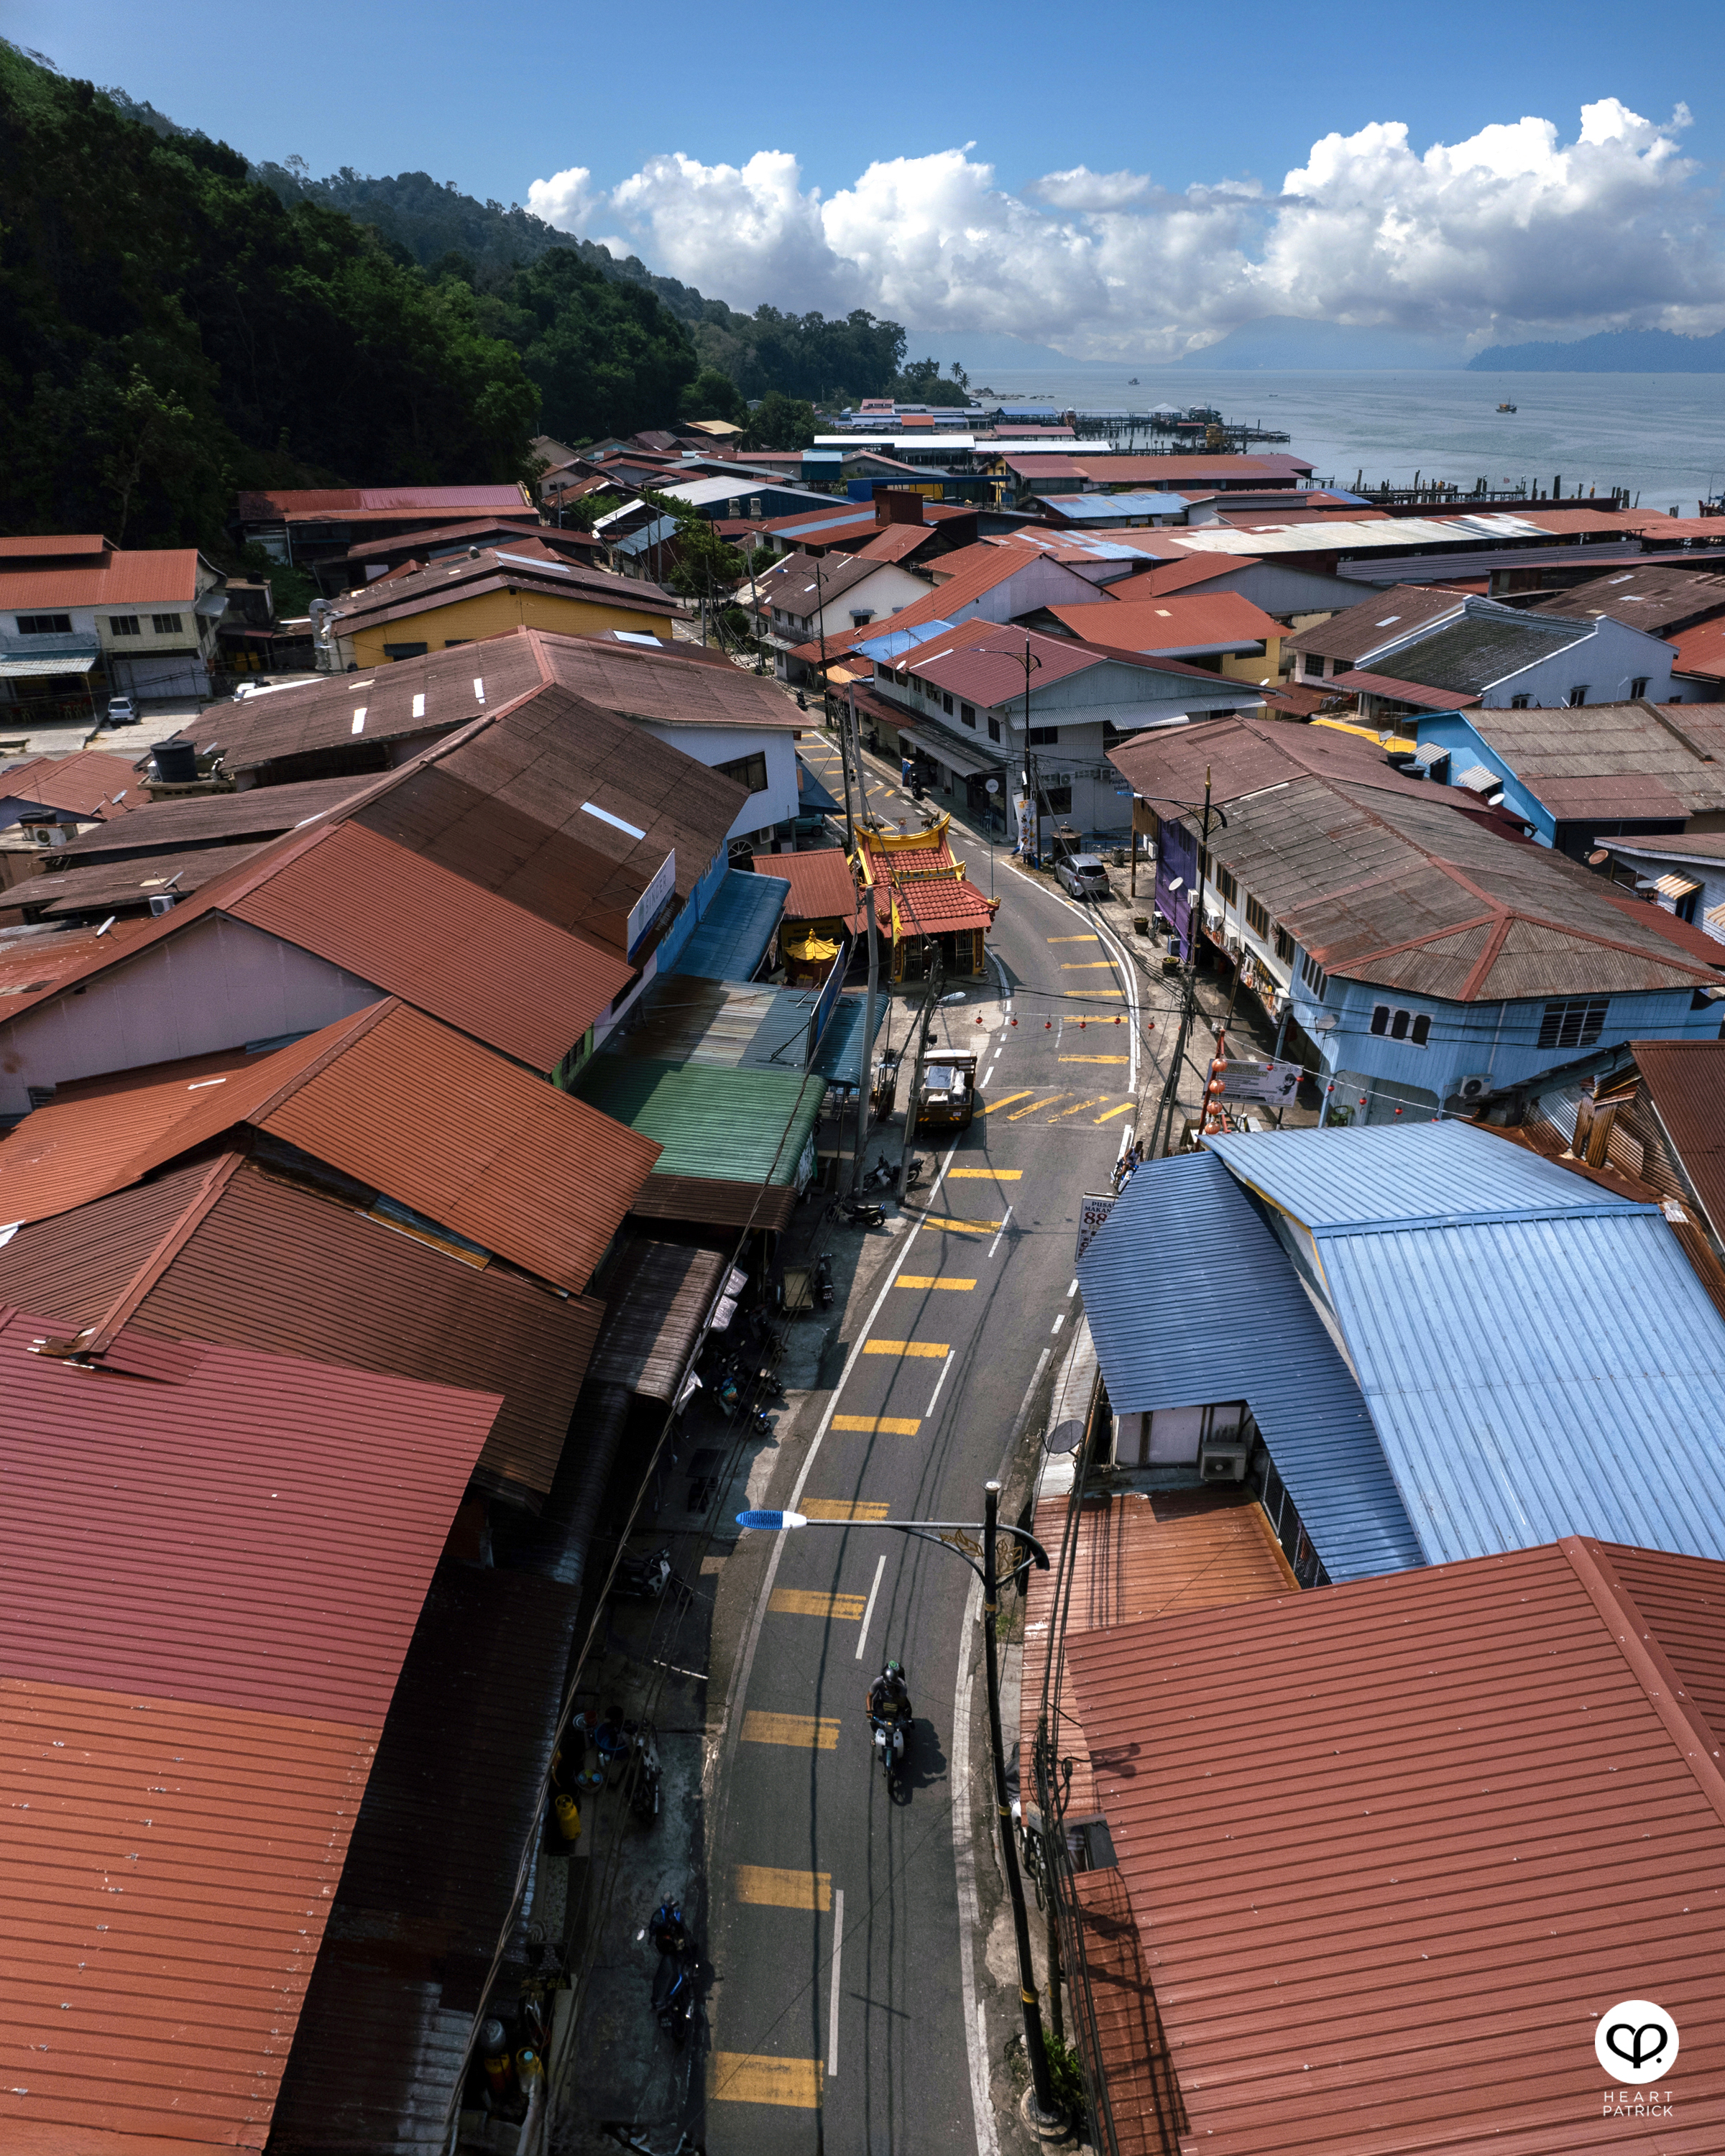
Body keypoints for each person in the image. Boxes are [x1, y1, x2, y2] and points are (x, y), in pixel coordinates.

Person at [868, 1659, 914, 1730]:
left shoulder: (902, 1685)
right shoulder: (878, 1681)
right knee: (874, 1721)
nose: (889, 1687)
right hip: (882, 1701)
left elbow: (902, 1703)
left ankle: (907, 1736)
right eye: (888, 1686)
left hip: (897, 1702)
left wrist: (893, 1693)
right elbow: (869, 1696)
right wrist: (869, 1710)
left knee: (907, 1712)